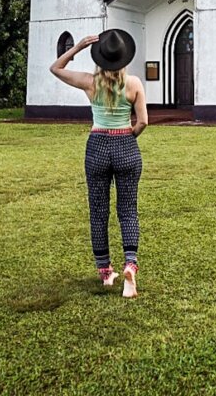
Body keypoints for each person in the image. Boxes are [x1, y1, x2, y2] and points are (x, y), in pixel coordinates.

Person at [49, 30, 148, 298]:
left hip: (97, 148)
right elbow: (143, 122)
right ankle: (130, 265)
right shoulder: (134, 83)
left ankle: (105, 271)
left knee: (98, 212)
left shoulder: (89, 81)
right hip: (126, 146)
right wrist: (128, 136)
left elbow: (55, 68)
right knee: (128, 209)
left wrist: (78, 47)